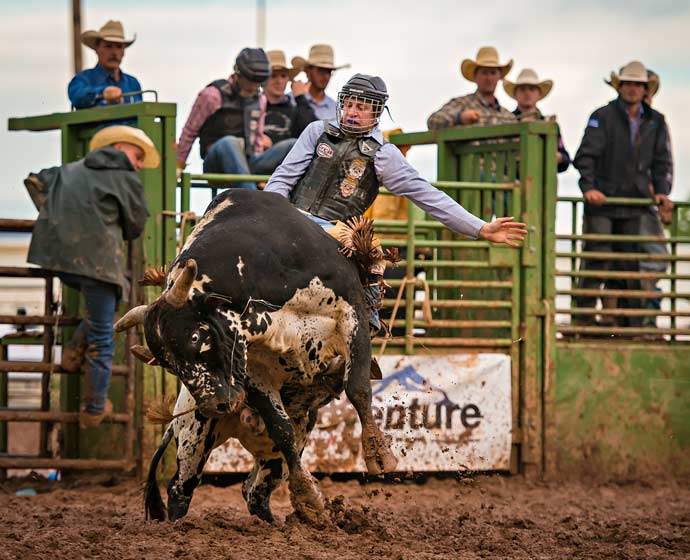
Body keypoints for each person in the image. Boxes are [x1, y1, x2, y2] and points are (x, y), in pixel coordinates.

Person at [264, 74, 527, 332]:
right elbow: (284, 177)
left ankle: (364, 332)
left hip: (338, 231)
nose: (352, 112)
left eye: (361, 107)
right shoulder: (317, 131)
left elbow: (428, 196)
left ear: (375, 112)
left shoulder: (383, 155)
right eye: (348, 104)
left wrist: (480, 228)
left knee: (372, 258)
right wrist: (273, 213)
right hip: (293, 216)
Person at [25, 126, 158, 428]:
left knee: (104, 313)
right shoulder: (126, 179)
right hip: (98, 265)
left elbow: (35, 182)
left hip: (59, 260)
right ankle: (95, 409)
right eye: (138, 157)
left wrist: (56, 219)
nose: (138, 164)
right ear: (121, 147)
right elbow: (135, 226)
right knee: (103, 337)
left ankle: (72, 352)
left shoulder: (68, 169)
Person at [572, 61, 673, 328]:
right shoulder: (603, 116)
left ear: (644, 89)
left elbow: (662, 162)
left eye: (637, 84)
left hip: (635, 203)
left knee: (629, 263)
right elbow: (586, 156)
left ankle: (630, 322)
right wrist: (589, 187)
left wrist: (661, 193)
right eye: (628, 83)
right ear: (620, 86)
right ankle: (583, 320)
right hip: (604, 202)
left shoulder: (655, 121)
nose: (632, 89)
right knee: (598, 257)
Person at [176, 48, 295, 190]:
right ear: (239, 74)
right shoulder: (213, 96)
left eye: (258, 82)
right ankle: (254, 202)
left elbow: (256, 139)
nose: (253, 87)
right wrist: (178, 164)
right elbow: (190, 131)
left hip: (247, 162)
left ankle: (288, 197)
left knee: (294, 144)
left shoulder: (260, 100)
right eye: (250, 81)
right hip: (216, 163)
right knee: (230, 142)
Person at [427, 46, 516, 130]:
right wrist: (460, 117)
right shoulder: (462, 103)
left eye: (493, 73)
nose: (489, 78)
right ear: (475, 76)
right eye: (484, 73)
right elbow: (434, 120)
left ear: (499, 77)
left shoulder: (508, 117)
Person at [503, 68, 570, 173]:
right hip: (512, 180)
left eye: (531, 89)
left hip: (541, 184)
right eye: (523, 89)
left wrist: (558, 157)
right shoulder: (506, 121)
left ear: (539, 94)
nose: (527, 93)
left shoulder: (549, 124)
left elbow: (565, 159)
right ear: (515, 94)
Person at [68, 20, 142, 109]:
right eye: (108, 46)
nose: (114, 53)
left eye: (119, 47)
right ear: (97, 49)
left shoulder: (133, 84)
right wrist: (103, 92)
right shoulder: (83, 79)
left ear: (123, 52)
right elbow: (77, 95)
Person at [263, 50, 317, 145]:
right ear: (263, 79)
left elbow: (314, 134)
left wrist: (300, 98)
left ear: (288, 79)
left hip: (286, 158)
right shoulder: (253, 105)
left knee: (291, 144)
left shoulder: (294, 110)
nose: (279, 81)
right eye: (273, 76)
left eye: (283, 76)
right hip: (256, 156)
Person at [291, 44, 350, 120]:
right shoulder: (290, 101)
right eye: (321, 70)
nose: (326, 76)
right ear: (307, 70)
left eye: (329, 71)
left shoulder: (334, 109)